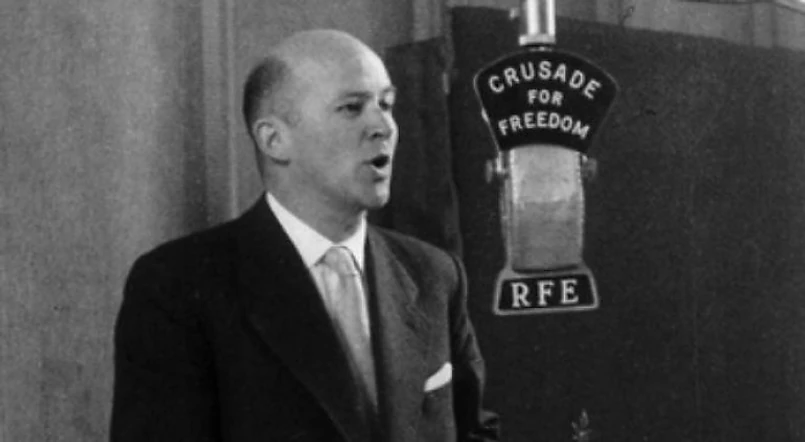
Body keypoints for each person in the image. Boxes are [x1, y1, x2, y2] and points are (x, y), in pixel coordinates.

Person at [110, 29, 499, 442]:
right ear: (274, 140)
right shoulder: (177, 286)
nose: (383, 126)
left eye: (386, 104)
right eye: (351, 108)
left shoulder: (433, 275)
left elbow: (475, 431)